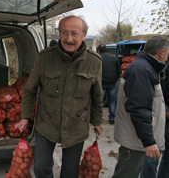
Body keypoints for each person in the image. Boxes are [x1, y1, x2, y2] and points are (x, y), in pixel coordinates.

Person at [18, 15, 103, 178]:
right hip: (47, 123)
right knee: (41, 167)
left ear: (84, 35)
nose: (68, 38)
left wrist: (97, 121)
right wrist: (25, 116)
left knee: (70, 173)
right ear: (58, 34)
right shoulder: (45, 58)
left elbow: (97, 95)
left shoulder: (94, 61)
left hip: (76, 125)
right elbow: (30, 89)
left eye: (74, 33)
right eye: (64, 33)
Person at [112, 36, 169, 178]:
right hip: (134, 141)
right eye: (167, 54)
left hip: (136, 138)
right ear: (161, 53)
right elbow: (139, 109)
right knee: (126, 174)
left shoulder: (144, 67)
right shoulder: (142, 70)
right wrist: (149, 141)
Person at [97, 44, 121, 124]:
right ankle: (111, 118)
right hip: (112, 83)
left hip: (102, 83)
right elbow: (119, 71)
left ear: (98, 51)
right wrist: (115, 79)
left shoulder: (98, 58)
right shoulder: (114, 58)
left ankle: (98, 118)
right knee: (112, 101)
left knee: (99, 101)